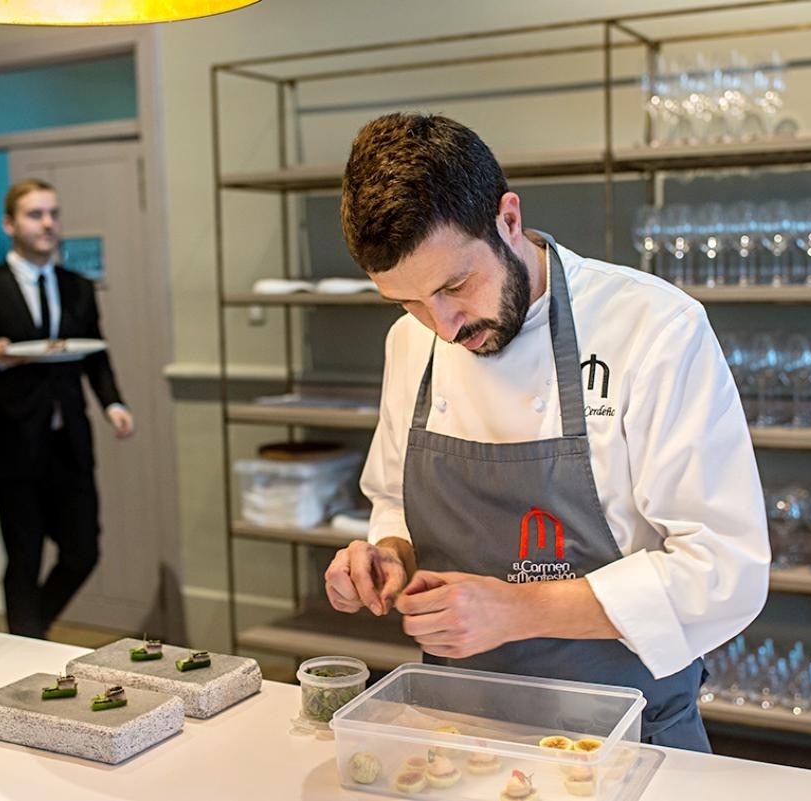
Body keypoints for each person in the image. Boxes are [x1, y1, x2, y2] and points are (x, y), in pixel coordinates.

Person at [323, 113, 769, 751]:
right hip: (460, 731)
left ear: (508, 218)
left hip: (628, 739)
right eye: (410, 303)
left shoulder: (655, 328)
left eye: (456, 285)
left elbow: (725, 571)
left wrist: (515, 610)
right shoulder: (409, 344)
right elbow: (393, 501)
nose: (444, 326)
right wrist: (387, 558)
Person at [0, 178, 134, 639]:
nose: (47, 223)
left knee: (82, 551)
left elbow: (95, 353)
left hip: (69, 442)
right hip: (10, 445)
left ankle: (28, 633)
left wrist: (113, 402)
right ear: (10, 224)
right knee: (24, 556)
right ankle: (26, 646)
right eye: (35, 214)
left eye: (53, 213)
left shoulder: (78, 288)